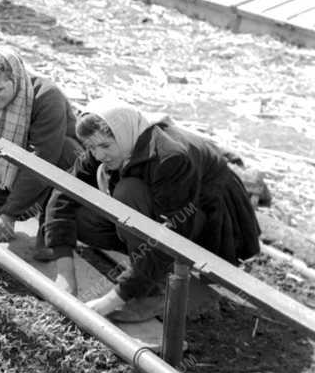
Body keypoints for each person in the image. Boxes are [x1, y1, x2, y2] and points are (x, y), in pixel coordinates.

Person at [44, 98, 262, 323]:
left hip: (207, 214)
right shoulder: (107, 146)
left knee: (128, 193)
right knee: (82, 218)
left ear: (122, 133)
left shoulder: (170, 159)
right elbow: (65, 191)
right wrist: (65, 273)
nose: (98, 155)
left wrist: (114, 298)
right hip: (164, 206)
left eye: (105, 147)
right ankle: (145, 268)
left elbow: (172, 236)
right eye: (91, 148)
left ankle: (153, 292)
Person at [0, 46, 81, 243]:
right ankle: (6, 210)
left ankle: (50, 234)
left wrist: (8, 214)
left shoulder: (46, 97)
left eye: (0, 89)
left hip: (44, 176)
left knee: (67, 151)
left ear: (16, 80)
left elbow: (43, 159)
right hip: (1, 179)